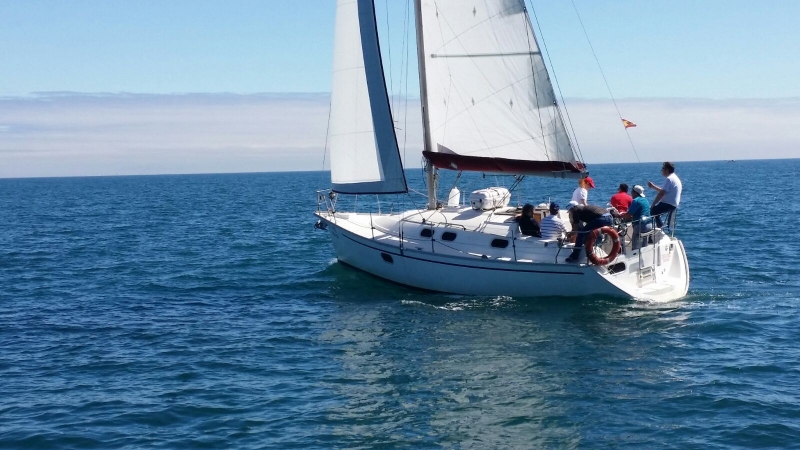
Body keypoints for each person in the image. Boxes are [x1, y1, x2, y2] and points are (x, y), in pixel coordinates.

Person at [648, 162, 682, 228]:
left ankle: (658, 227)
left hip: (668, 203)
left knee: (653, 210)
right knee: (656, 212)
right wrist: (653, 186)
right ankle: (659, 226)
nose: (661, 170)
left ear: (667, 170)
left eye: (662, 169)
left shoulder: (669, 179)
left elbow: (661, 193)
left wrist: (653, 204)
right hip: (673, 204)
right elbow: (664, 191)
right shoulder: (674, 177)